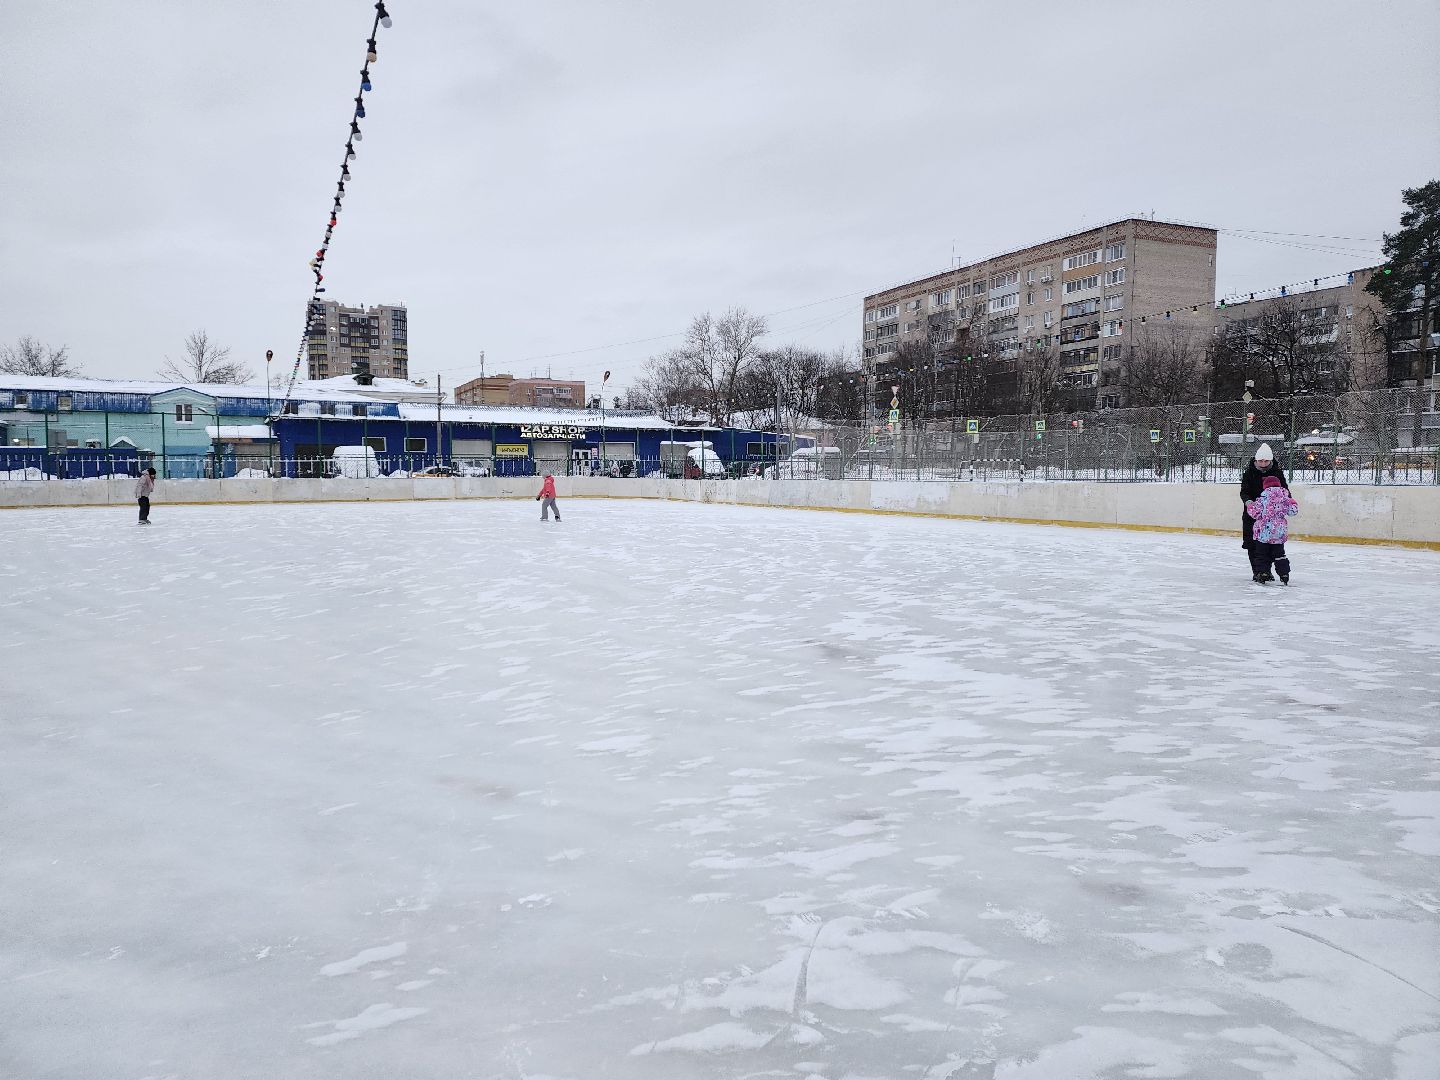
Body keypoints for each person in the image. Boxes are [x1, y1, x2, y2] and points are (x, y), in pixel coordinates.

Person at [1239, 443, 1288, 579]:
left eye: (1266, 461)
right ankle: (1257, 571)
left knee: (1270, 544)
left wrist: (1286, 502)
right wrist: (1249, 503)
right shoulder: (1249, 472)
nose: (1263, 464)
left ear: (1270, 460)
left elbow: (1285, 490)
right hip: (1252, 514)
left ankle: (1266, 571)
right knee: (1252, 544)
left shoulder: (1277, 472)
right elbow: (1244, 491)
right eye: (1260, 461)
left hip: (1271, 517)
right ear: (1256, 460)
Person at [1245, 475, 1298, 585]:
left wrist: (1250, 506)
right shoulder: (1285, 499)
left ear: (1265, 487)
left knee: (1262, 554)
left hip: (1263, 533)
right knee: (1280, 554)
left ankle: (1263, 573)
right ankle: (1284, 573)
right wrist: (1293, 502)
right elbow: (1293, 511)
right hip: (1279, 534)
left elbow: (1255, 513)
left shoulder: (1262, 499)